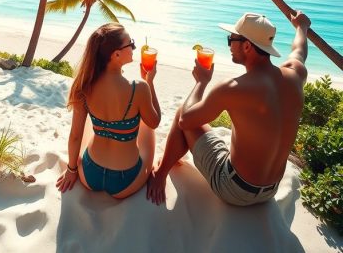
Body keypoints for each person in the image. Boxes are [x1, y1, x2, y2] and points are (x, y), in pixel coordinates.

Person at [146, 11, 310, 206]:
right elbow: (299, 49)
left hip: (235, 190)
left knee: (183, 109)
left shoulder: (234, 87)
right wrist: (302, 27)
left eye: (231, 39)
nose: (229, 44)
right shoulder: (296, 73)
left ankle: (161, 173)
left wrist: (201, 82)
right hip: (270, 190)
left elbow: (186, 120)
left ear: (247, 45)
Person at [56, 23, 161, 198]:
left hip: (90, 175)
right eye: (131, 44)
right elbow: (155, 122)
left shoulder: (84, 86)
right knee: (147, 123)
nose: (134, 47)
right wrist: (149, 82)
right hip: (125, 180)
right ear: (116, 54)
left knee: (90, 122)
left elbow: (75, 136)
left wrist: (71, 170)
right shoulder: (139, 88)